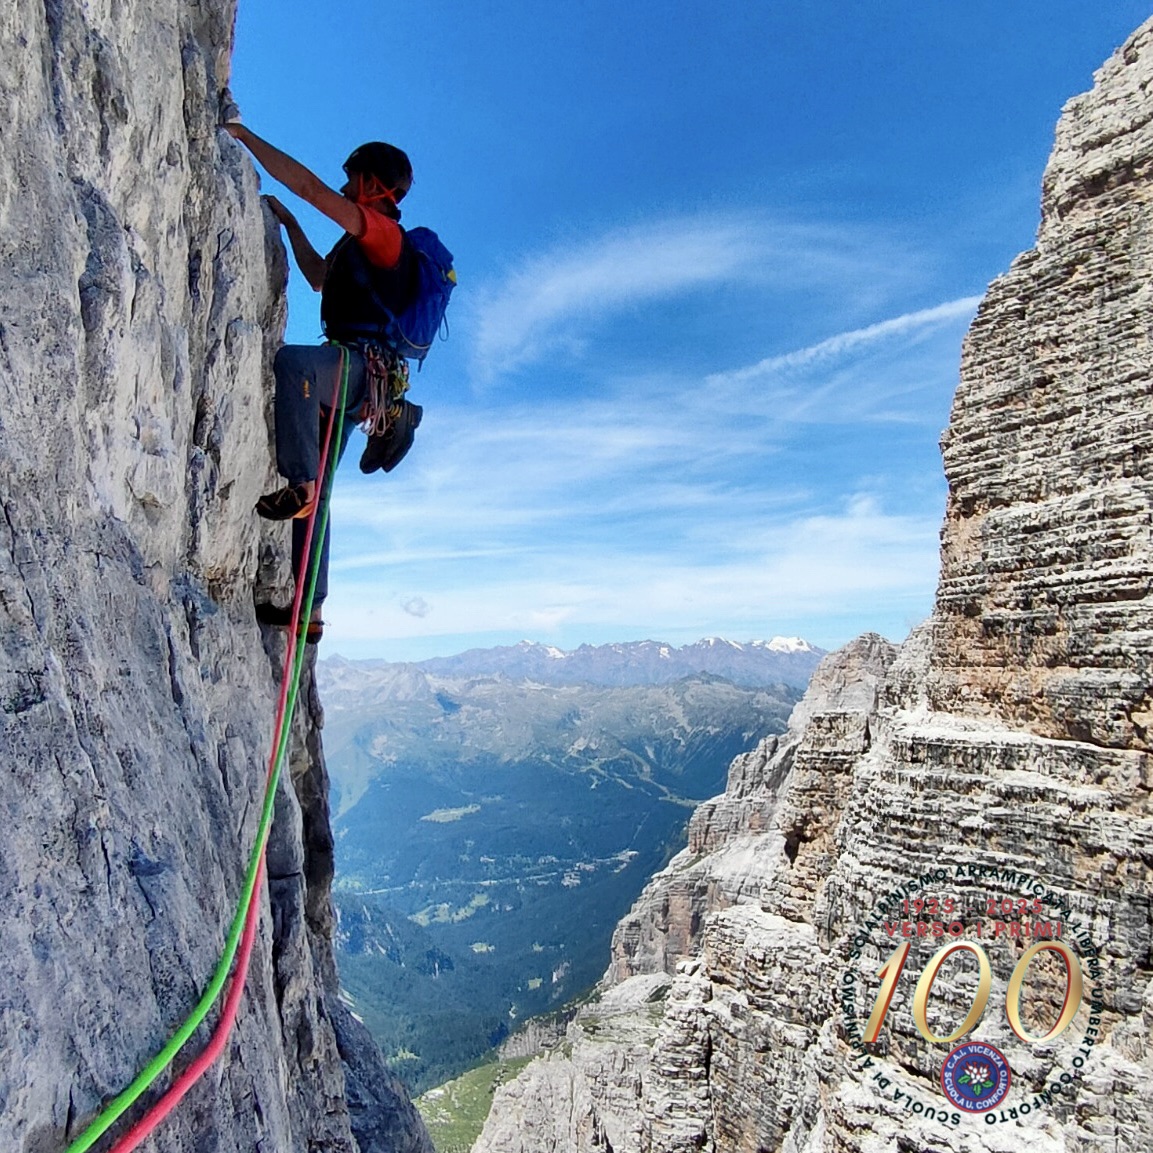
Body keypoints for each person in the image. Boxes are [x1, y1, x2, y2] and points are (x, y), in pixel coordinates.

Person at [220, 99, 419, 643]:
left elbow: (309, 187)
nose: (345, 183)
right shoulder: (358, 244)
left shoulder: (382, 234)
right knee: (321, 502)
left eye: (353, 176)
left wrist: (246, 138)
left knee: (292, 361)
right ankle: (310, 612)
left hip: (355, 368)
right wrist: (285, 225)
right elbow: (316, 278)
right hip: (359, 379)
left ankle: (298, 482)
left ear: (374, 183)